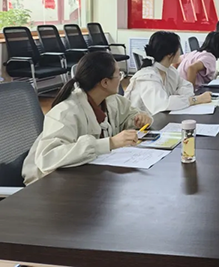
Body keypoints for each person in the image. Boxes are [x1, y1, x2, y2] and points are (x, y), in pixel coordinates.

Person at [22, 51, 152, 185]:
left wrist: (139, 119)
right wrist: (110, 143)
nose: (121, 78)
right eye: (119, 74)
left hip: (85, 176)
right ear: (105, 82)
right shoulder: (65, 112)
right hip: (48, 184)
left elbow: (130, 114)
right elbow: (47, 158)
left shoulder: (112, 100)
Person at [124, 31, 211, 116]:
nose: (180, 52)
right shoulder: (148, 76)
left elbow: (188, 87)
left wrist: (175, 99)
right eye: (178, 49)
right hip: (140, 123)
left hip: (159, 118)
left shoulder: (170, 70)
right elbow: (163, 105)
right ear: (169, 54)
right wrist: (194, 100)